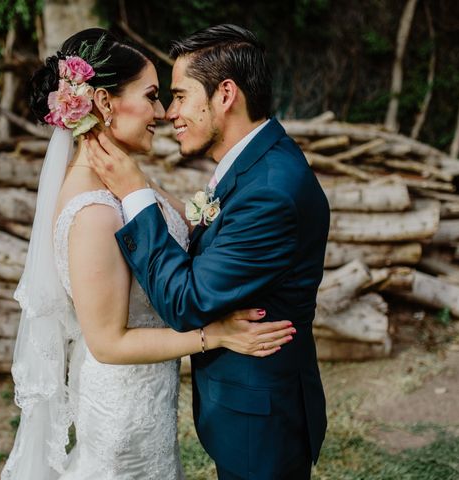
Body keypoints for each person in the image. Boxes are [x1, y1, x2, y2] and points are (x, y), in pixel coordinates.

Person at [1, 28, 296, 480]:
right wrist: (213, 336)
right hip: (121, 411)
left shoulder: (128, 183)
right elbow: (107, 342)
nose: (162, 112)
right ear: (103, 102)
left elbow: (187, 235)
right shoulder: (94, 213)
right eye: (153, 95)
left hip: (151, 402)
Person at [87, 24, 330, 480]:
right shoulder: (257, 163)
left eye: (179, 96)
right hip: (246, 408)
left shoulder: (271, 190)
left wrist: (137, 193)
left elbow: (188, 301)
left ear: (224, 94)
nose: (170, 112)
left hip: (262, 423)